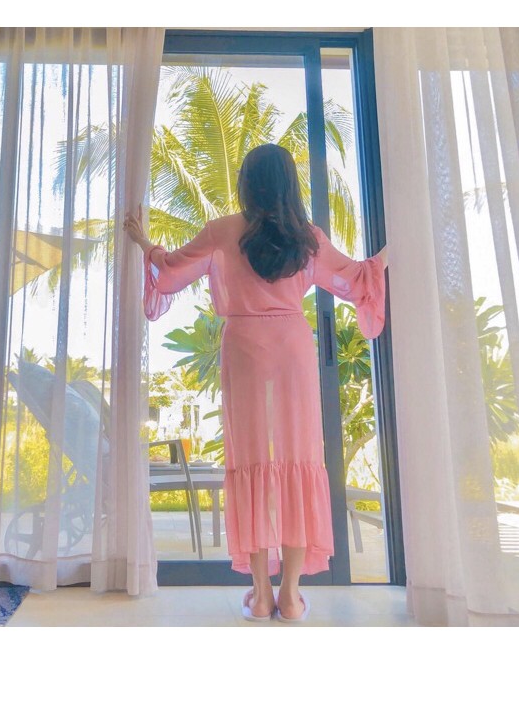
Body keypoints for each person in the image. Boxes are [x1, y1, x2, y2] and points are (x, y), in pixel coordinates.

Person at [124, 143, 388, 622]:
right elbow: (355, 278)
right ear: (290, 184)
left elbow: (171, 270)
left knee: (252, 463)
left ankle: (261, 593)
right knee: (298, 462)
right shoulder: (307, 237)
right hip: (292, 349)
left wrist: (144, 242)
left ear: (246, 183)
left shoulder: (223, 230)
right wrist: (389, 254)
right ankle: (291, 595)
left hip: (244, 348)